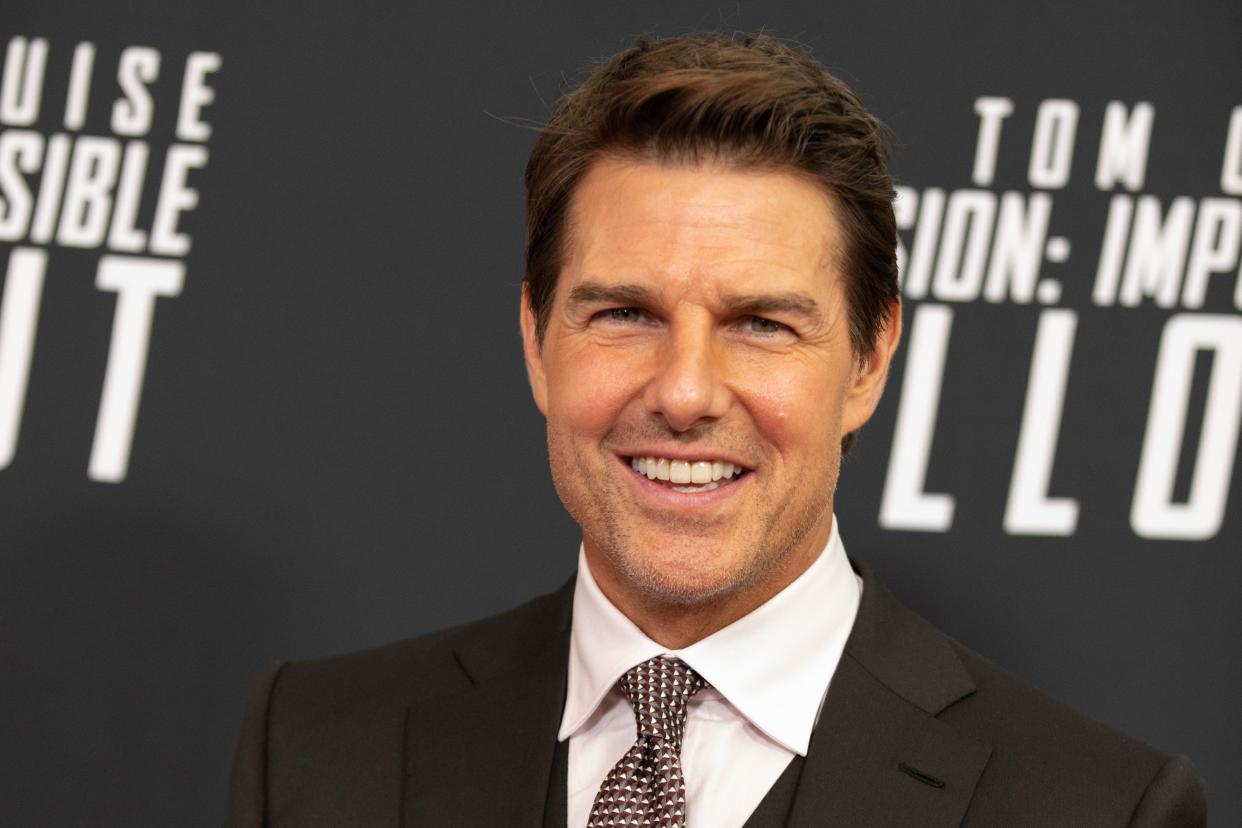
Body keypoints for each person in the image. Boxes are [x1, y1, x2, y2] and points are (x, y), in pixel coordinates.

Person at [227, 33, 1205, 827]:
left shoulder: (1097, 808)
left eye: (761, 324)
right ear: (535, 339)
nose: (686, 392)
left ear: (868, 360)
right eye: (624, 315)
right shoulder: (316, 746)